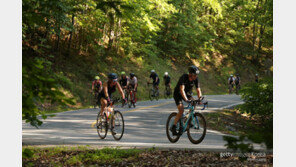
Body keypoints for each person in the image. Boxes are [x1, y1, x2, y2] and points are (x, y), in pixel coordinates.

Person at [171, 65, 202, 136]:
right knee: (181, 110)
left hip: (187, 93)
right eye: (195, 75)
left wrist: (200, 98)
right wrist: (186, 100)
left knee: (194, 104)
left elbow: (198, 90)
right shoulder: (184, 77)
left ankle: (188, 120)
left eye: (197, 75)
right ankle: (174, 126)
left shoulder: (196, 79)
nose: (196, 76)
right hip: (178, 94)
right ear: (190, 74)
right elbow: (181, 90)